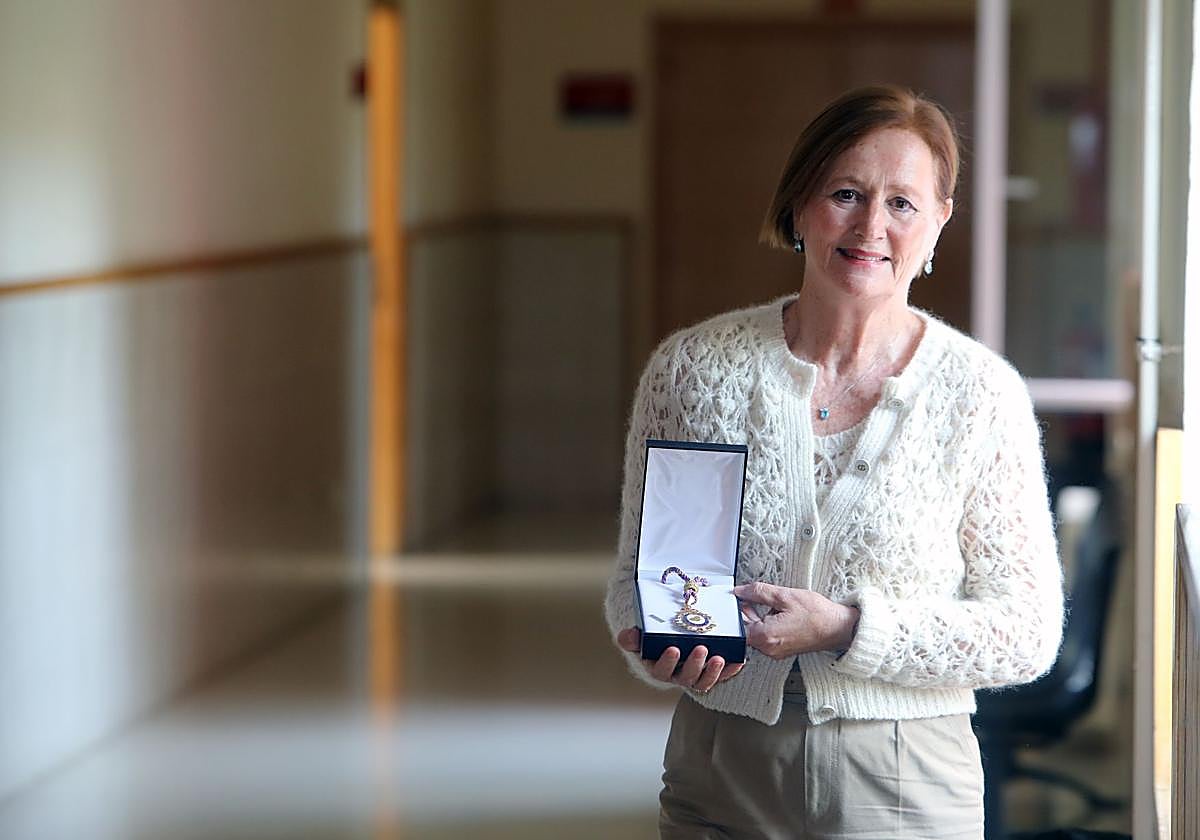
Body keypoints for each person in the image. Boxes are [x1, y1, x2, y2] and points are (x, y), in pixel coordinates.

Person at [603, 85, 1064, 839]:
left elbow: (1026, 631)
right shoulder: (693, 369)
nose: (871, 226)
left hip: (908, 778)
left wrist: (847, 628)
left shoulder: (981, 395)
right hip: (721, 767)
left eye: (902, 203)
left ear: (939, 221)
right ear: (798, 205)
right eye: (845, 193)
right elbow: (639, 578)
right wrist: (660, 643)